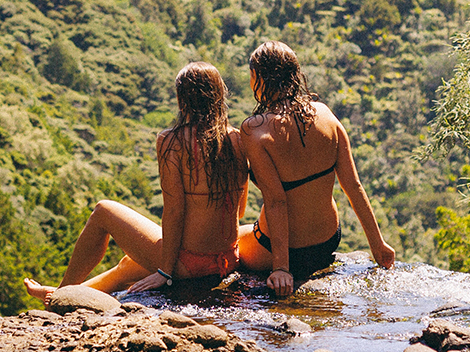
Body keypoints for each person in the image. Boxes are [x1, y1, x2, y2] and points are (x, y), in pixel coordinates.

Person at [24, 62, 247, 299]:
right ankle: (68, 293)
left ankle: (61, 295)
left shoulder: (172, 141)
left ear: (182, 100)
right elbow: (240, 211)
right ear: (219, 96)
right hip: (226, 260)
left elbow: (174, 212)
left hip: (187, 265)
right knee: (127, 265)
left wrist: (165, 272)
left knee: (103, 211)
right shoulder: (238, 139)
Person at [237, 41, 396, 295]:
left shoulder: (254, 129)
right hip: (327, 242)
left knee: (232, 240)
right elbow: (353, 185)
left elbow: (277, 201)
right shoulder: (325, 114)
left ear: (258, 78)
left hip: (281, 250)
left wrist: (281, 268)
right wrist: (378, 245)